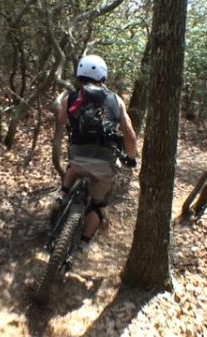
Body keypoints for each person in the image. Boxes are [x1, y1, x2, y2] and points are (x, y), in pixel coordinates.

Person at [53, 54, 138, 245]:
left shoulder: (71, 97)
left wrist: (74, 123)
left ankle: (63, 194)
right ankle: (83, 243)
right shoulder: (116, 100)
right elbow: (130, 135)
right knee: (98, 204)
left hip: (78, 155)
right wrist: (131, 159)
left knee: (73, 167)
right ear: (103, 76)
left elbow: (61, 119)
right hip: (105, 161)